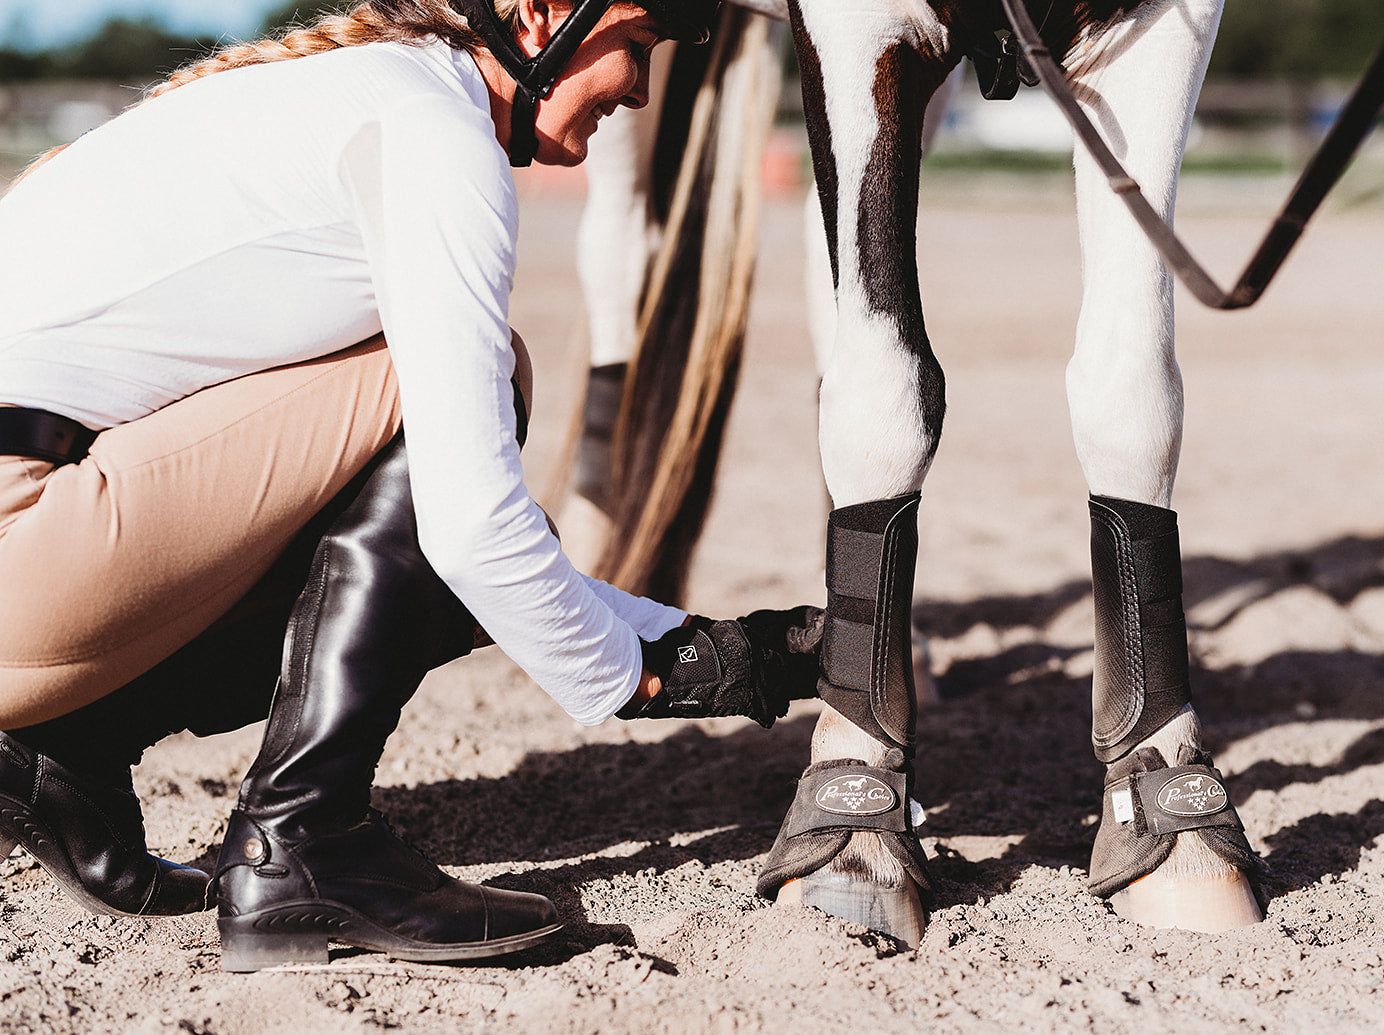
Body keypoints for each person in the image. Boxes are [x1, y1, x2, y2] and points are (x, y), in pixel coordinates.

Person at [0, 0, 820, 971]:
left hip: (33, 558)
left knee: (429, 510)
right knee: (454, 398)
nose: (639, 87)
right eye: (637, 45)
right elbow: (469, 532)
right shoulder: (432, 127)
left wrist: (712, 647)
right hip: (20, 564)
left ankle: (63, 745)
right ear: (540, 13)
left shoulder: (341, 93)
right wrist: (687, 666)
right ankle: (302, 842)